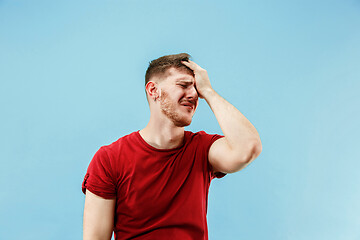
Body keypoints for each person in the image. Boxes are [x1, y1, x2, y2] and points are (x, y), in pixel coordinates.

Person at [82, 53, 262, 240]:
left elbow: (248, 148)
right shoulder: (110, 159)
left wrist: (209, 91)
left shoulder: (203, 149)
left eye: (196, 89)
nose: (193, 94)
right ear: (153, 90)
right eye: (183, 85)